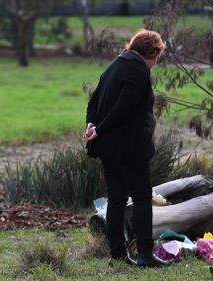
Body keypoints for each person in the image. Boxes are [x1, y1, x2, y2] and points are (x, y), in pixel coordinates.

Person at [84, 30, 168, 268]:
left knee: (117, 198)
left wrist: (91, 124)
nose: (157, 60)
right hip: (129, 148)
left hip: (109, 149)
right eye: (158, 54)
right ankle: (144, 255)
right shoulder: (137, 71)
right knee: (142, 198)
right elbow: (124, 107)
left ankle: (118, 254)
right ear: (151, 52)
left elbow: (93, 101)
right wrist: (98, 128)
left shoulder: (114, 66)